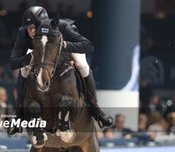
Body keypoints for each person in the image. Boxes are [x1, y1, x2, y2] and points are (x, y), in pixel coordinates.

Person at [8, 6, 113, 135]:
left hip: (64, 48)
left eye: (35, 27)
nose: (31, 31)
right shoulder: (23, 33)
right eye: (29, 28)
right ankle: (19, 114)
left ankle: (95, 108)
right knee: (23, 70)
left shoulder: (61, 26)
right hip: (40, 56)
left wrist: (65, 45)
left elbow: (88, 46)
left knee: (82, 65)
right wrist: (32, 55)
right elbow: (13, 62)